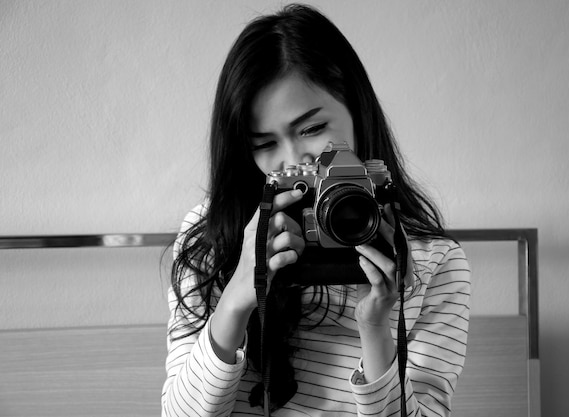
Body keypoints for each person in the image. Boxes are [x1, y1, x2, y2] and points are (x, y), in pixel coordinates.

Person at [162, 4, 470, 417]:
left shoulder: (433, 261)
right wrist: (237, 297)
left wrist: (376, 330)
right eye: (264, 144)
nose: (293, 159)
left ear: (357, 110)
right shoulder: (213, 234)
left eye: (311, 129)